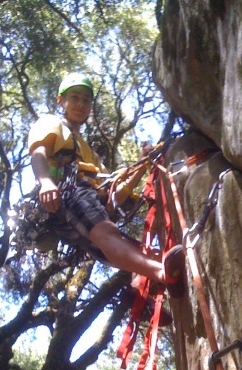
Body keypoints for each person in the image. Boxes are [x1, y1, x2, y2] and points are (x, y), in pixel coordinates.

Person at [28, 72, 185, 301]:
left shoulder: (88, 152)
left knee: (114, 243)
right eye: (75, 97)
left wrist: (143, 165)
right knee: (106, 233)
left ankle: (146, 292)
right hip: (66, 192)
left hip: (73, 211)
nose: (81, 104)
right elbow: (38, 153)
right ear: (61, 100)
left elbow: (113, 196)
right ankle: (161, 273)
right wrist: (45, 183)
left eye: (86, 100)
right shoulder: (52, 123)